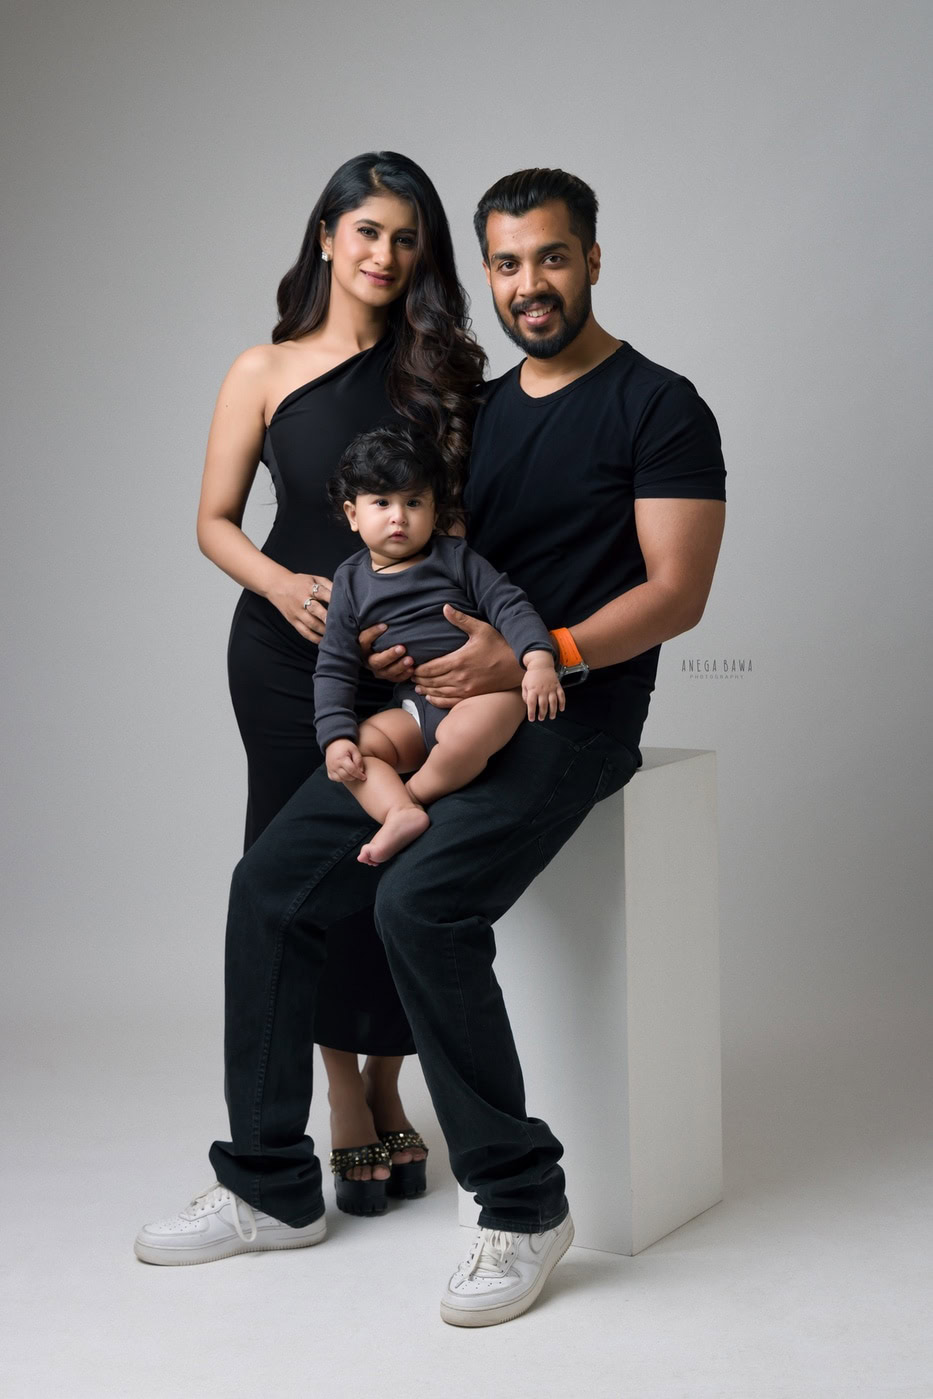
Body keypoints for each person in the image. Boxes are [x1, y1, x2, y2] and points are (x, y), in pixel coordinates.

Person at [137, 167, 727, 1330]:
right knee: (267, 884)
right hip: (444, 704)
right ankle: (268, 1184)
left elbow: (680, 594)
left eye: (551, 258)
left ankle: (520, 1204)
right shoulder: (484, 414)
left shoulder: (661, 405)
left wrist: (529, 656)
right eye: (506, 264)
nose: (529, 285)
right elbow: (434, 567)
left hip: (574, 713)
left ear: (593, 260)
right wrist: (408, 660)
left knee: (418, 906)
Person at [193, 150, 485, 1214]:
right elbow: (213, 521)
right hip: (283, 659)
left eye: (407, 239)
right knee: (298, 872)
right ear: (326, 236)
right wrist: (281, 587)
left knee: (386, 866)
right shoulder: (260, 373)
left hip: (402, 661)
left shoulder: (445, 375)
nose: (385, 255)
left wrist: (425, 641)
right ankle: (342, 1101)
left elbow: (456, 531)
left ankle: (388, 1081)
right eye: (367, 231)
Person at [314, 424, 564, 876]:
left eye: (413, 502)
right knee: (361, 748)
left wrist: (538, 659)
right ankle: (400, 814)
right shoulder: (349, 583)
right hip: (415, 705)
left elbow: (510, 604)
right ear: (353, 514)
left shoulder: (455, 558)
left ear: (434, 509)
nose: (398, 517)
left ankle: (414, 798)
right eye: (381, 503)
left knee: (462, 738)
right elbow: (333, 668)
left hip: (485, 696)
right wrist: (334, 737)